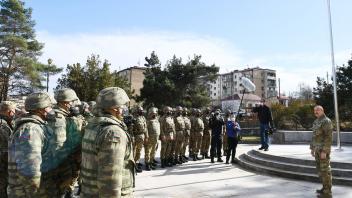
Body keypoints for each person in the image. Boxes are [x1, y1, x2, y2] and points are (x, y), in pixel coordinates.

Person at [81, 87, 135, 197]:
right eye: (123, 105)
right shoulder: (113, 132)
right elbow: (110, 178)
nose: (125, 109)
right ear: (115, 108)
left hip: (90, 192)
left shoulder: (93, 125)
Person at [8, 92, 57, 197]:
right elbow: (30, 170)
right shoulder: (31, 130)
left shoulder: (33, 127)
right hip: (25, 193)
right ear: (41, 109)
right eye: (49, 107)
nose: (51, 110)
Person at [50, 88, 85, 197]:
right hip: (62, 165)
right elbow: (59, 146)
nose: (73, 104)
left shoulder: (62, 115)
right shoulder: (59, 118)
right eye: (71, 102)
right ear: (65, 102)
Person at [310, 105, 333, 197]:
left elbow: (329, 137)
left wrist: (325, 151)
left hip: (323, 151)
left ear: (322, 111)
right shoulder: (316, 121)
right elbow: (314, 136)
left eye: (318, 110)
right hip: (317, 150)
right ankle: (324, 188)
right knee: (320, 171)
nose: (316, 112)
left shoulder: (326, 121)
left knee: (325, 170)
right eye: (315, 110)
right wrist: (312, 148)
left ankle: (328, 192)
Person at [0, 101, 16, 197]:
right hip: (3, 167)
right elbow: (5, 149)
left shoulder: (7, 123)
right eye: (14, 111)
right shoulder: (2, 126)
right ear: (10, 112)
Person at [132, 106, 148, 173]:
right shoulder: (133, 118)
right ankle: (133, 165)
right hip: (135, 136)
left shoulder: (143, 118)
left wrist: (146, 136)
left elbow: (145, 127)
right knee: (134, 151)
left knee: (139, 150)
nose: (141, 111)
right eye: (140, 110)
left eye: (142, 110)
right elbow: (131, 129)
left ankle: (137, 163)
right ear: (136, 111)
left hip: (142, 136)